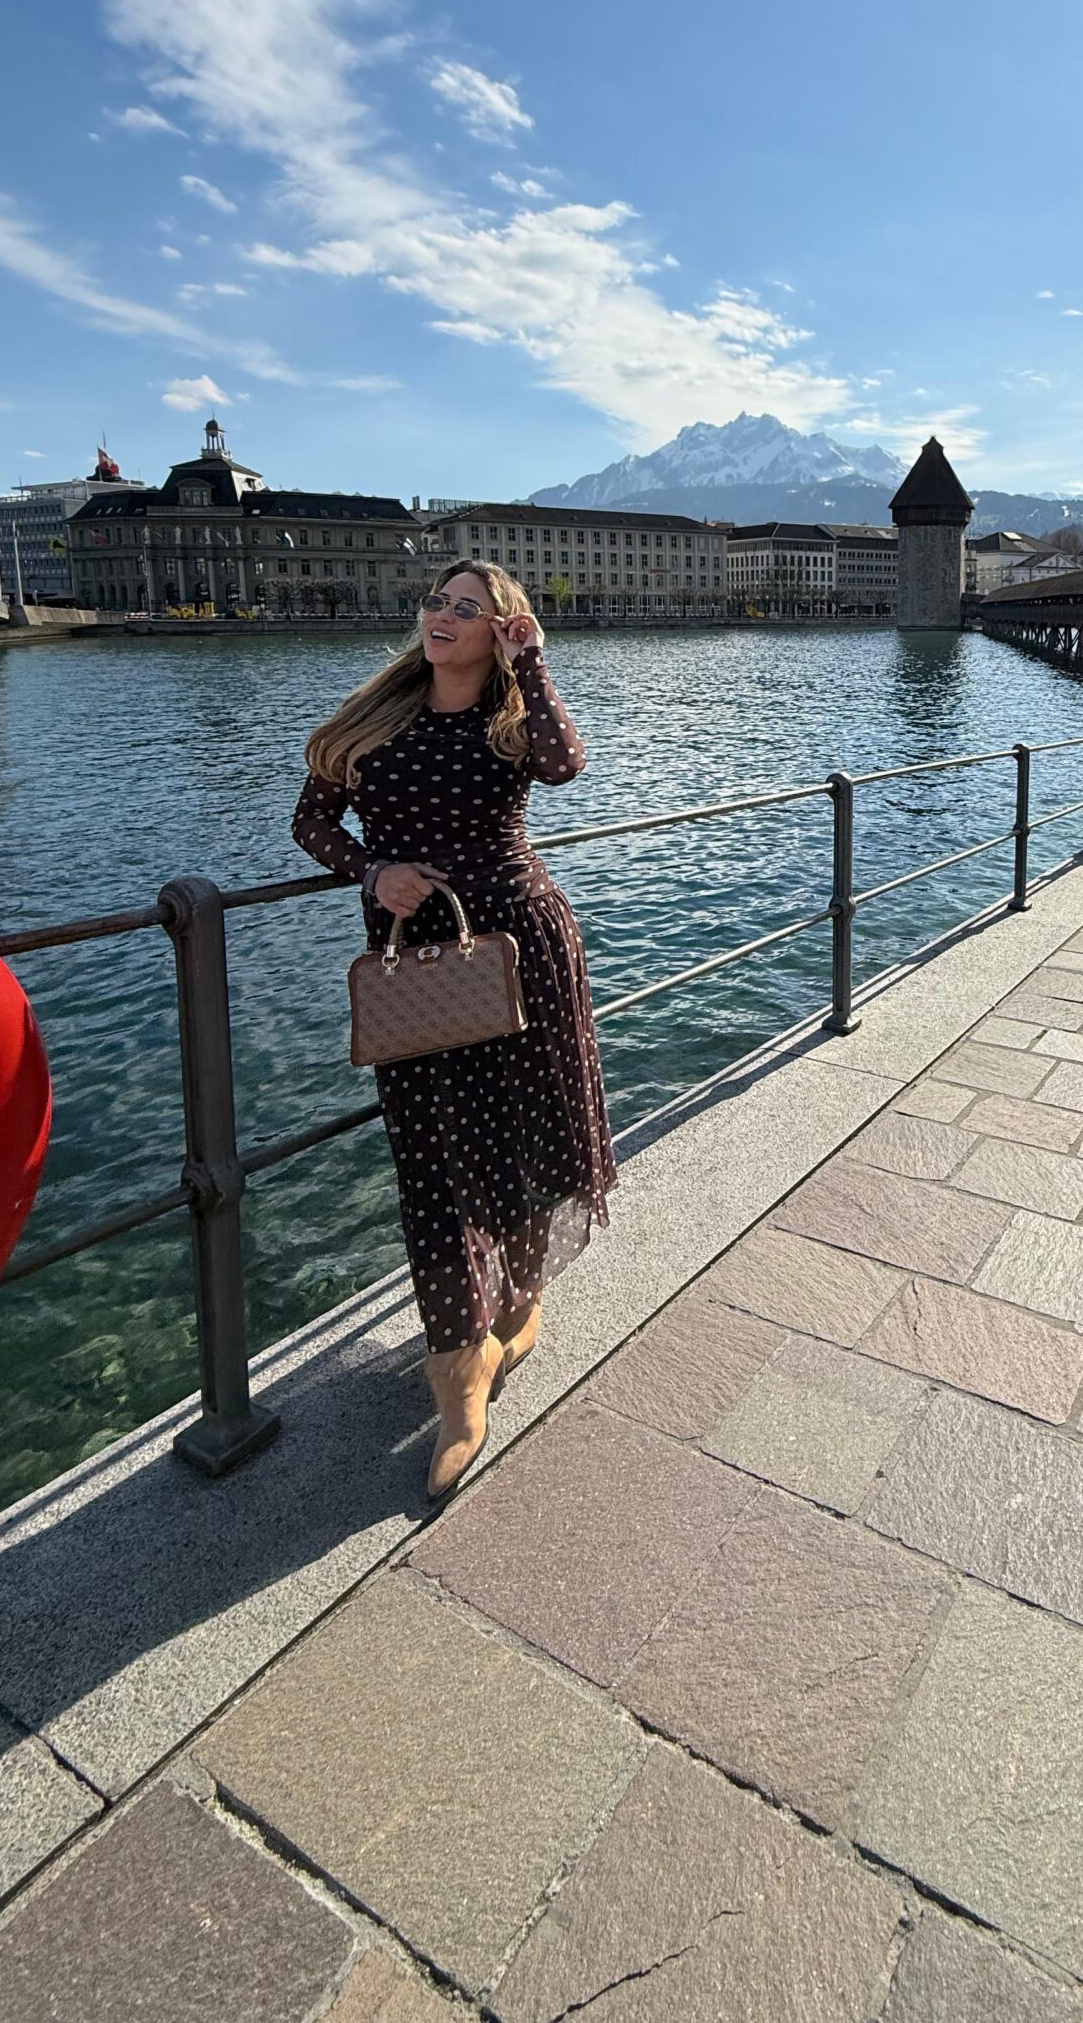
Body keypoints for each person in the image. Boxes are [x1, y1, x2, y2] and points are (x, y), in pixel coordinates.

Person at [292, 564, 616, 1500]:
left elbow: (563, 764)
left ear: (502, 629)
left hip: (518, 949)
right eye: (438, 600)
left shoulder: (514, 721)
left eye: (469, 608)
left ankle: (518, 1298)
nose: (444, 616)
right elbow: (311, 820)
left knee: (520, 1134)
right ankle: (456, 1369)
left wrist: (537, 664)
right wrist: (370, 870)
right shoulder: (374, 718)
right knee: (430, 1157)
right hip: (411, 968)